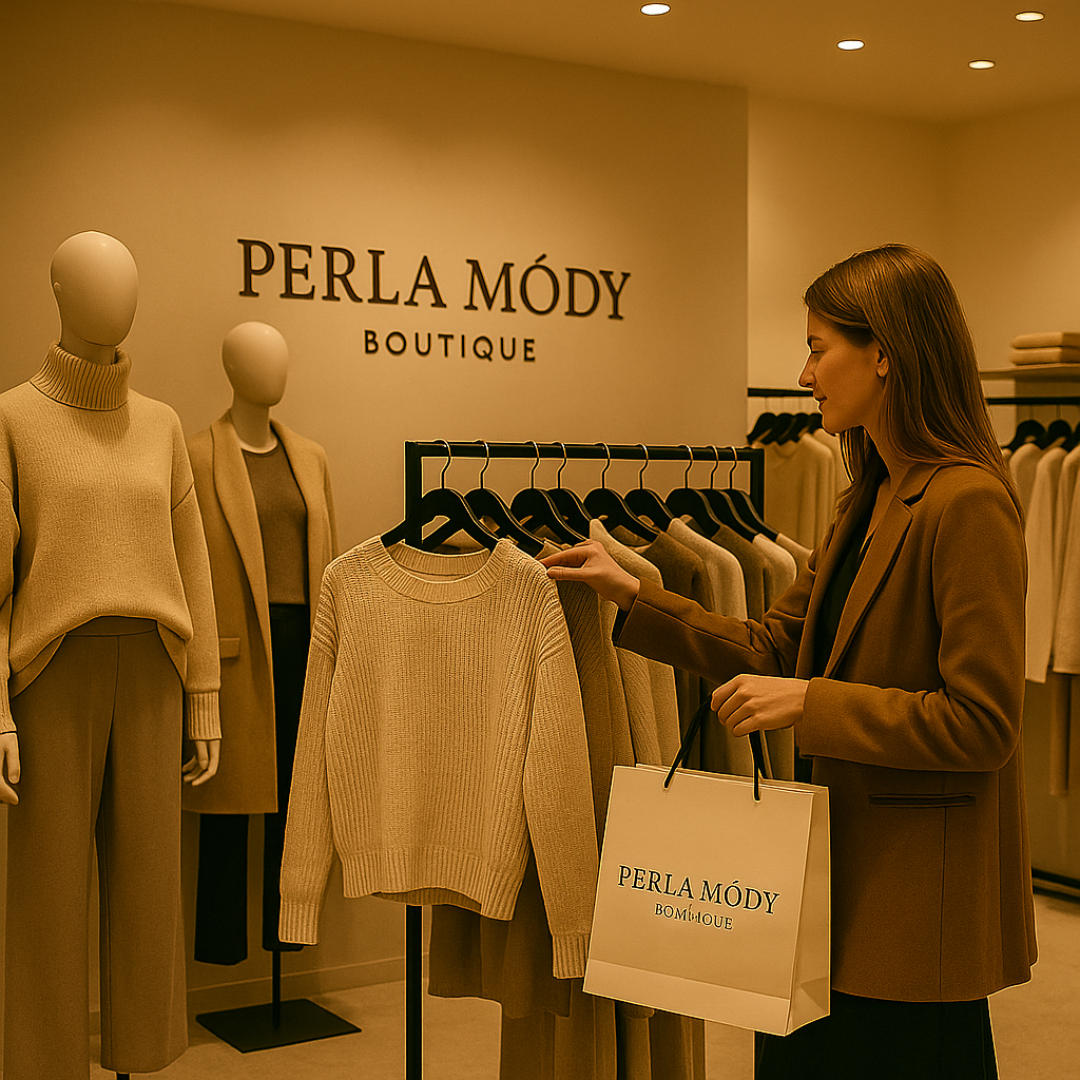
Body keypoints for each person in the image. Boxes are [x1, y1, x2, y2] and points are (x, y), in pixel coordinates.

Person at [542, 244, 1037, 1079]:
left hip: (913, 897)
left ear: (884, 353)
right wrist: (633, 594)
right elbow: (772, 644)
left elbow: (983, 724)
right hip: (828, 880)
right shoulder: (867, 497)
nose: (804, 375)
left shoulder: (968, 502)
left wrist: (813, 702)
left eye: (816, 348)